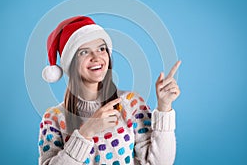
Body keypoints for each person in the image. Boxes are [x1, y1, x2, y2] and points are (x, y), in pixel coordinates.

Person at [38, 16, 181, 165]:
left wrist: (164, 108)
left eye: (101, 49)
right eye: (84, 52)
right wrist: (86, 133)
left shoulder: (131, 103)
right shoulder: (53, 118)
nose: (96, 57)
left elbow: (160, 163)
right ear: (70, 63)